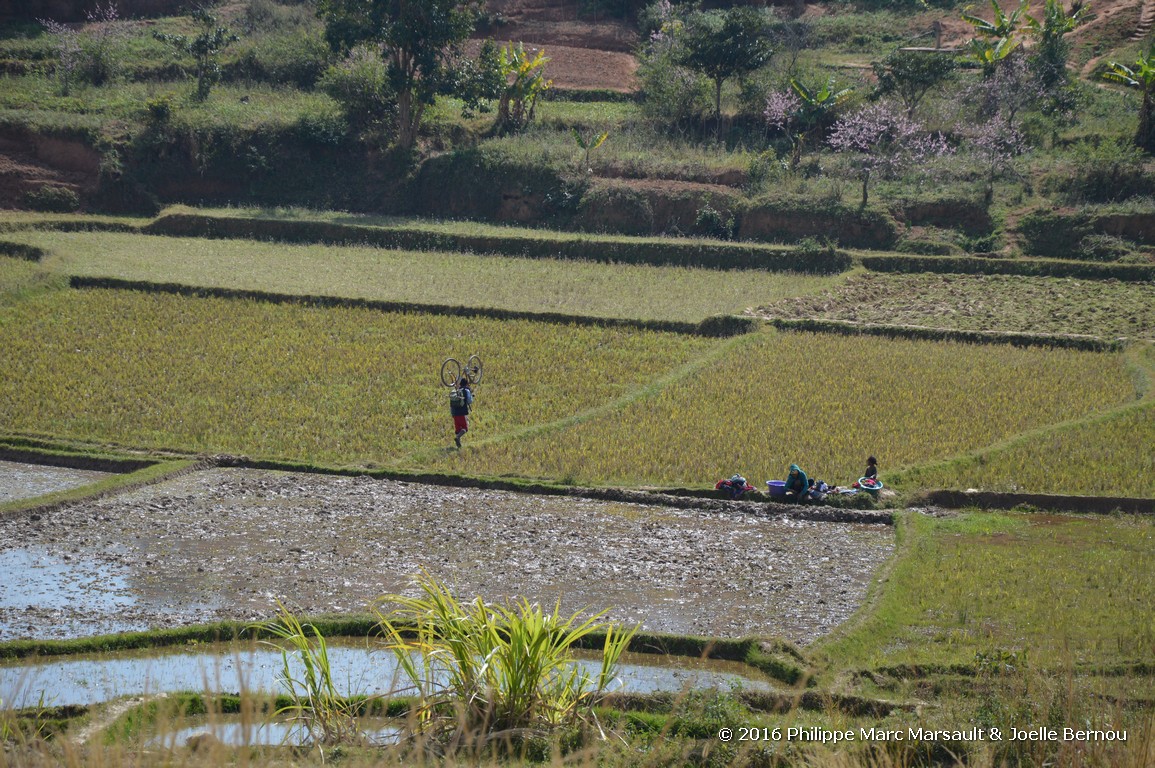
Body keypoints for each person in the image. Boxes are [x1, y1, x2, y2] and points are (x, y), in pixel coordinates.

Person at [450, 376, 474, 448]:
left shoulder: (456, 391)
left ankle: (458, 443)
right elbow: (470, 401)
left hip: (454, 413)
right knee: (465, 428)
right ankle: (457, 438)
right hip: (462, 412)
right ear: (466, 384)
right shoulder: (466, 391)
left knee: (458, 429)